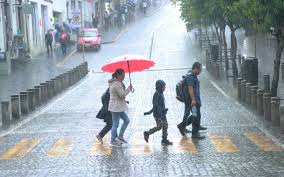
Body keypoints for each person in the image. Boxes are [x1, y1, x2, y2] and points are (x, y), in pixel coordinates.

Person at [177, 62, 207, 139]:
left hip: (192, 100)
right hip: (192, 101)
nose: (200, 72)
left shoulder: (192, 74)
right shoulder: (190, 77)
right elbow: (190, 89)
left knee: (195, 115)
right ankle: (194, 134)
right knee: (196, 116)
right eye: (200, 70)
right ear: (196, 68)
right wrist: (193, 100)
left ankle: (182, 125)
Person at [143, 80, 173, 146]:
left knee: (165, 125)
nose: (165, 88)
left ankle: (164, 140)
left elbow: (161, 104)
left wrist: (164, 110)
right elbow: (155, 105)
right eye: (163, 87)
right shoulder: (156, 94)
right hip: (158, 114)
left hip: (163, 113)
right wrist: (158, 112)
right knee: (159, 126)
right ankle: (147, 133)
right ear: (159, 87)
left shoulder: (161, 93)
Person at [108, 69, 133, 147]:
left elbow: (119, 96)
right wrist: (129, 89)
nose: (123, 77)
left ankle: (120, 136)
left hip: (118, 106)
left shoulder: (116, 83)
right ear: (118, 75)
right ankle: (112, 140)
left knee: (126, 120)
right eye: (122, 76)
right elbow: (122, 95)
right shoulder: (116, 84)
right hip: (116, 107)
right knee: (115, 124)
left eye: (124, 76)